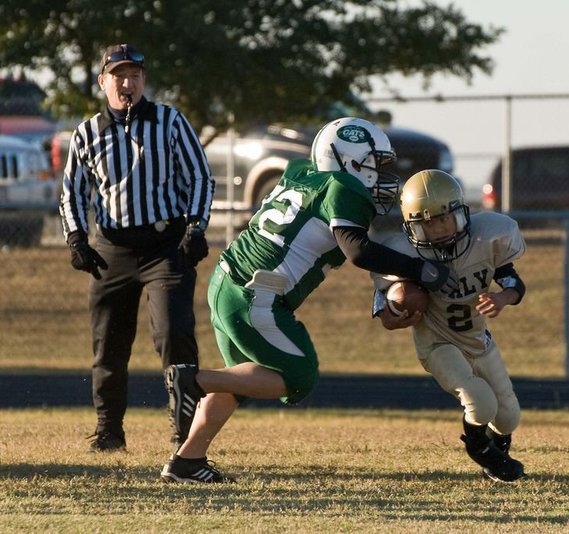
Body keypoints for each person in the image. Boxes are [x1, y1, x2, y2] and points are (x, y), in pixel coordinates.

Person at [159, 117, 455, 483]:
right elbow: (358, 250)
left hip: (227, 281)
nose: (380, 175)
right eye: (373, 164)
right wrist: (419, 271)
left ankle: (187, 460)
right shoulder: (344, 187)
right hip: (258, 294)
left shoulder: (301, 172)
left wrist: (385, 292)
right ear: (349, 160)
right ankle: (193, 380)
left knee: (237, 379)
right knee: (299, 376)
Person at [59, 44, 215, 452]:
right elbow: (72, 193)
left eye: (135, 76)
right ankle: (109, 430)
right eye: (119, 76)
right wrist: (76, 237)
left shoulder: (170, 121)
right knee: (108, 341)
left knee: (172, 332)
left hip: (165, 244)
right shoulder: (87, 133)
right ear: (103, 82)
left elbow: (200, 177)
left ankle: (186, 433)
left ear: (144, 80)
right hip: (112, 247)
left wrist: (196, 228)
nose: (128, 84)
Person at [371, 169, 527, 482]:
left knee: (508, 415)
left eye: (443, 219)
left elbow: (514, 282)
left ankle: (498, 457)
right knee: (480, 402)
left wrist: (502, 299)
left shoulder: (487, 238)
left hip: (478, 340)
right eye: (426, 224)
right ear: (412, 226)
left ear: (460, 213)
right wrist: (397, 316)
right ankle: (479, 449)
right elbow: (384, 313)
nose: (437, 229)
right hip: (438, 344)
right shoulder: (404, 256)